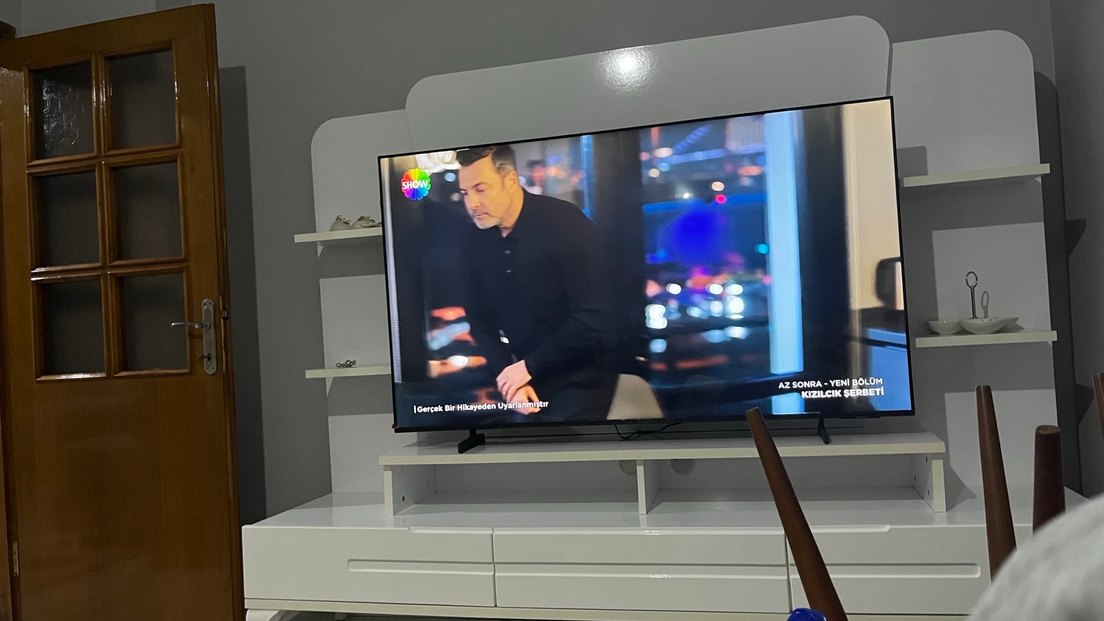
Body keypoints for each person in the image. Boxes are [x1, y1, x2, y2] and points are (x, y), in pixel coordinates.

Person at [455, 144, 616, 420]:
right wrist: (509, 378)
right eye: (466, 193)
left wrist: (529, 367)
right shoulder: (474, 238)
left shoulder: (565, 223)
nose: (473, 205)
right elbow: (479, 319)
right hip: (522, 377)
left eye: (481, 190)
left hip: (582, 378)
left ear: (510, 181)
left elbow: (594, 317)